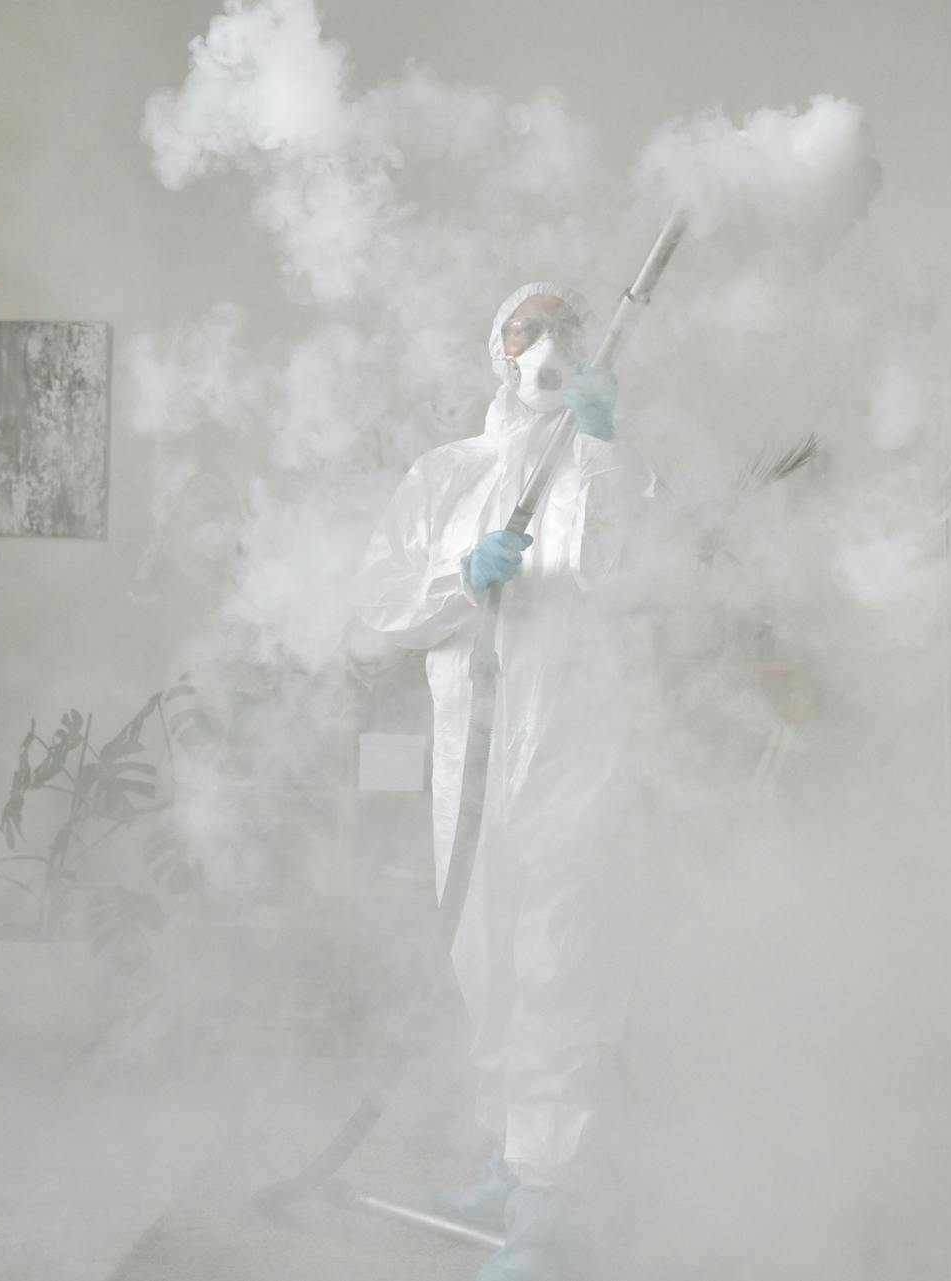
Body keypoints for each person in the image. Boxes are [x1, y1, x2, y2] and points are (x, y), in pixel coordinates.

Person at [354, 282, 652, 1279]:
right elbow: (385, 606)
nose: (543, 348)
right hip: (473, 764)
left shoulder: (604, 470)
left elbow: (619, 580)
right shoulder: (443, 477)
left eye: (562, 330)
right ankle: (509, 1163)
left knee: (560, 962)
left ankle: (551, 1203)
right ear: (497, 349)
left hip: (573, 758)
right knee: (483, 960)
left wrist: (602, 449)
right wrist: (458, 581)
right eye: (526, 330)